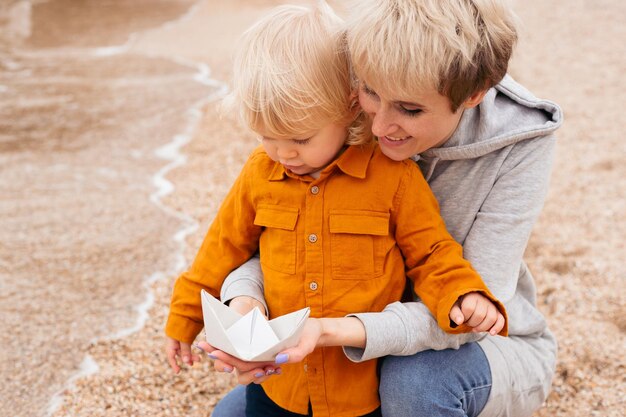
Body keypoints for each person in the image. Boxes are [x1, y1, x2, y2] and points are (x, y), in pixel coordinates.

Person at [209, 0, 563, 417]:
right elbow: (278, 237)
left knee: (414, 384)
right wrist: (247, 304)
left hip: (474, 347)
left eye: (410, 110)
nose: (376, 130)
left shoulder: (521, 144)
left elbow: (468, 318)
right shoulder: (349, 106)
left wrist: (327, 330)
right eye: (370, 93)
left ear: (475, 93)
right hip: (351, 342)